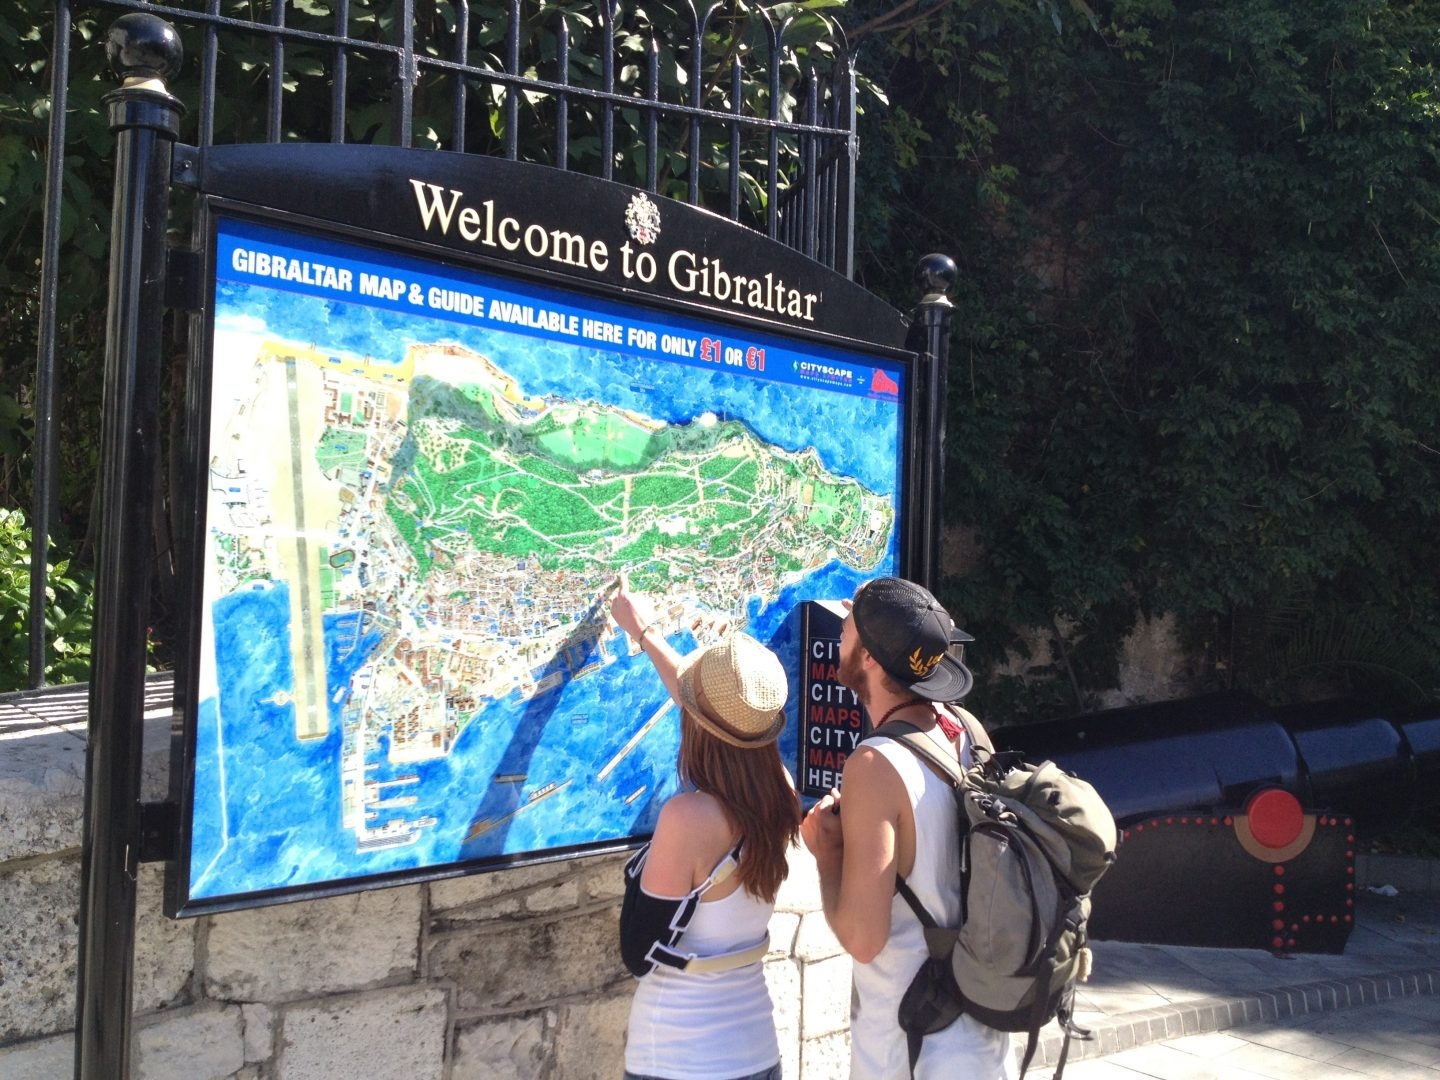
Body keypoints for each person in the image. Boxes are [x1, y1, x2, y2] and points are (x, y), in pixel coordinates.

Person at [799, 577, 1016, 1079]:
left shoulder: (876, 765)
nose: (841, 624)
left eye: (849, 623)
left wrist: (826, 853)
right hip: (981, 1038)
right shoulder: (965, 730)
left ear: (870, 659)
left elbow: (863, 938)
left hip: (912, 1050)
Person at [610, 572, 802, 1080]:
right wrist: (645, 633)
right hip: (758, 1053)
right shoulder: (779, 790)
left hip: (679, 1058)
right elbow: (716, 717)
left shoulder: (689, 820)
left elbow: (638, 953)